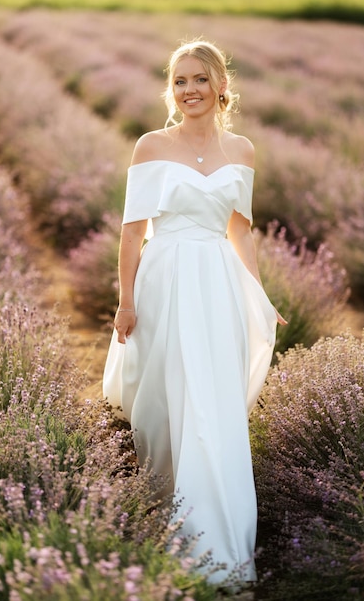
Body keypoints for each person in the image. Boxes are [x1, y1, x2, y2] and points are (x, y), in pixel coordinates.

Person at [103, 38, 287, 585]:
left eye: (200, 79)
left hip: (218, 285)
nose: (190, 91)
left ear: (222, 86)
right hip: (165, 282)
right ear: (171, 88)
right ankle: (165, 515)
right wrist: (126, 299)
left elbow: (240, 231)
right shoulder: (150, 147)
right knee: (168, 406)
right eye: (180, 81)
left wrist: (260, 294)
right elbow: (132, 232)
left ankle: (217, 547)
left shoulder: (244, 151)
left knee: (214, 406)